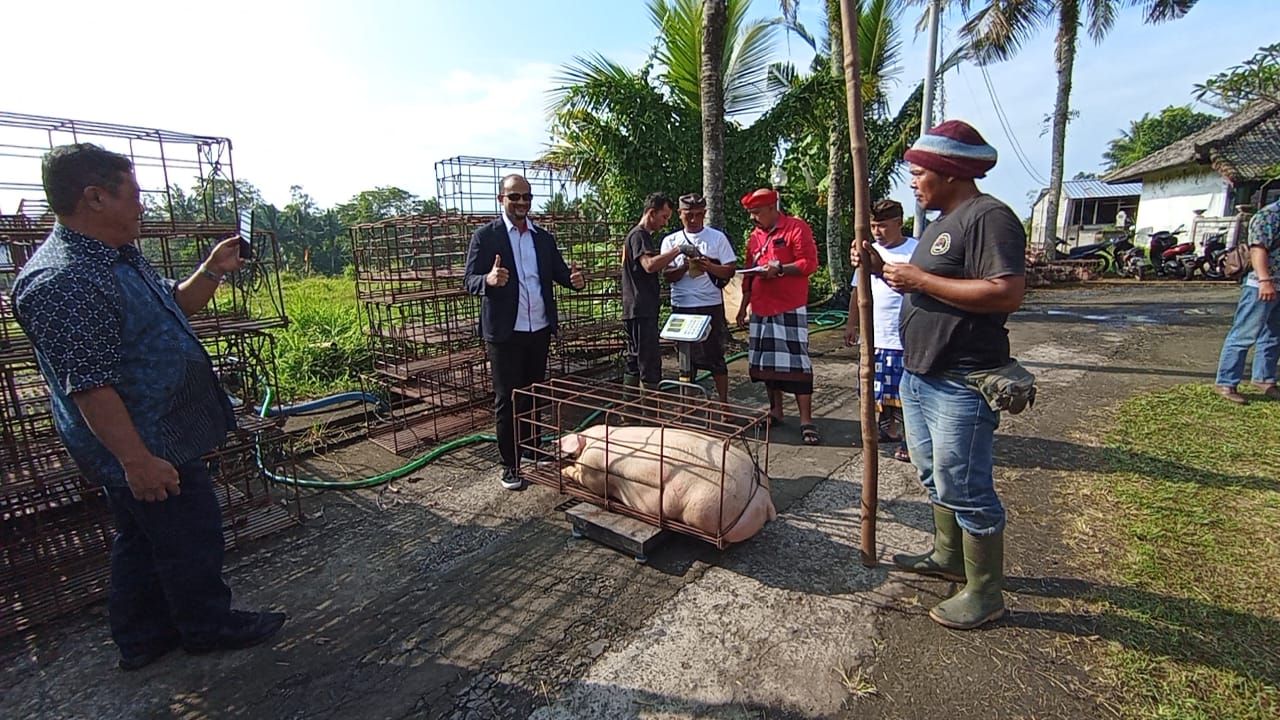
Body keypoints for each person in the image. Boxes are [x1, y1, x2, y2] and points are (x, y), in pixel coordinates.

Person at [10, 144, 286, 671]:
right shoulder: (65, 279)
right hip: (144, 441)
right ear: (95, 197)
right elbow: (89, 386)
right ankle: (206, 625)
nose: (142, 206)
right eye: (134, 195)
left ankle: (142, 637)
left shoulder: (116, 255)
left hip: (160, 430)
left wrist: (212, 269)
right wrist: (136, 461)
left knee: (141, 537)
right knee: (189, 533)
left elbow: (174, 303)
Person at [852, 120, 1026, 630]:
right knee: (934, 475)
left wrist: (919, 279)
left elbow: (1006, 292)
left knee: (965, 484)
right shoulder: (941, 223)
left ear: (948, 172)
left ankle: (985, 592)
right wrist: (879, 266)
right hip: (922, 373)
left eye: (918, 172)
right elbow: (922, 285)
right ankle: (949, 556)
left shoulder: (989, 217)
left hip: (962, 378)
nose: (912, 182)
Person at [463, 174, 585, 491]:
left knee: (534, 393)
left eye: (526, 197)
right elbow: (468, 280)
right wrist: (488, 280)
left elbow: (559, 272)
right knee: (508, 399)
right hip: (506, 332)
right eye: (514, 196)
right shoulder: (485, 237)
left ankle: (532, 447)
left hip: (538, 327)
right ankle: (511, 464)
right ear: (501, 199)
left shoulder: (542, 238)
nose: (521, 203)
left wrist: (573, 280)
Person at [736, 188, 821, 445]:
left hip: (789, 306)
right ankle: (776, 411)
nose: (753, 218)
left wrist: (781, 268)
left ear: (773, 208)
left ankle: (806, 420)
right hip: (761, 307)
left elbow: (809, 263)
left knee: (797, 363)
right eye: (751, 213)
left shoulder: (795, 228)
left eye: (757, 212)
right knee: (768, 364)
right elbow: (749, 274)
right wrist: (743, 305)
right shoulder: (754, 237)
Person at [845, 199, 918, 463]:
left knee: (905, 393)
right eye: (874, 226)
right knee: (877, 389)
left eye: (883, 226)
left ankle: (911, 441)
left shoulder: (915, 250)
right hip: (875, 335)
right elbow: (857, 291)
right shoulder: (866, 252)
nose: (878, 232)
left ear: (899, 223)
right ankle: (888, 429)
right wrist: (852, 323)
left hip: (905, 336)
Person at [660, 193, 737, 403]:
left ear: (704, 214)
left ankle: (723, 404)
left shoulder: (717, 238)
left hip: (710, 304)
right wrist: (684, 267)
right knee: (686, 358)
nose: (694, 220)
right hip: (682, 305)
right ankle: (687, 404)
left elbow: (730, 270)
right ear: (680, 214)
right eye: (689, 215)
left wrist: (709, 266)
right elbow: (667, 276)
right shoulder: (671, 241)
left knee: (716, 356)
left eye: (698, 215)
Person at [1214, 195, 1280, 404]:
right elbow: (1257, 249)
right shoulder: (1269, 216)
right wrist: (1265, 280)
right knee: (1244, 334)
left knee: (1273, 335)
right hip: (1261, 285)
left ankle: (1264, 379)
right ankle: (1226, 382)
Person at [621, 193, 681, 397]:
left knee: (635, 360)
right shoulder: (639, 236)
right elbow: (649, 265)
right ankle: (650, 411)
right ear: (651, 213)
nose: (665, 223)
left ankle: (630, 410)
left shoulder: (635, 236)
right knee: (649, 362)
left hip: (635, 309)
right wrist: (678, 250)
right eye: (664, 217)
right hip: (641, 309)